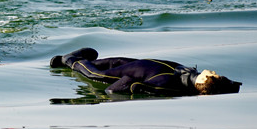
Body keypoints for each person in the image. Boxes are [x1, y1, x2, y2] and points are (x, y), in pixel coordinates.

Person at [50, 47, 241, 96]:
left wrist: (110, 92)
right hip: (139, 64)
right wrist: (230, 86)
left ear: (205, 81)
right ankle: (74, 60)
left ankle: (70, 60)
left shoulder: (170, 84)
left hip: (131, 74)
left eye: (213, 74)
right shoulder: (189, 75)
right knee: (109, 62)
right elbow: (232, 86)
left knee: (95, 74)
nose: (213, 71)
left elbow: (136, 86)